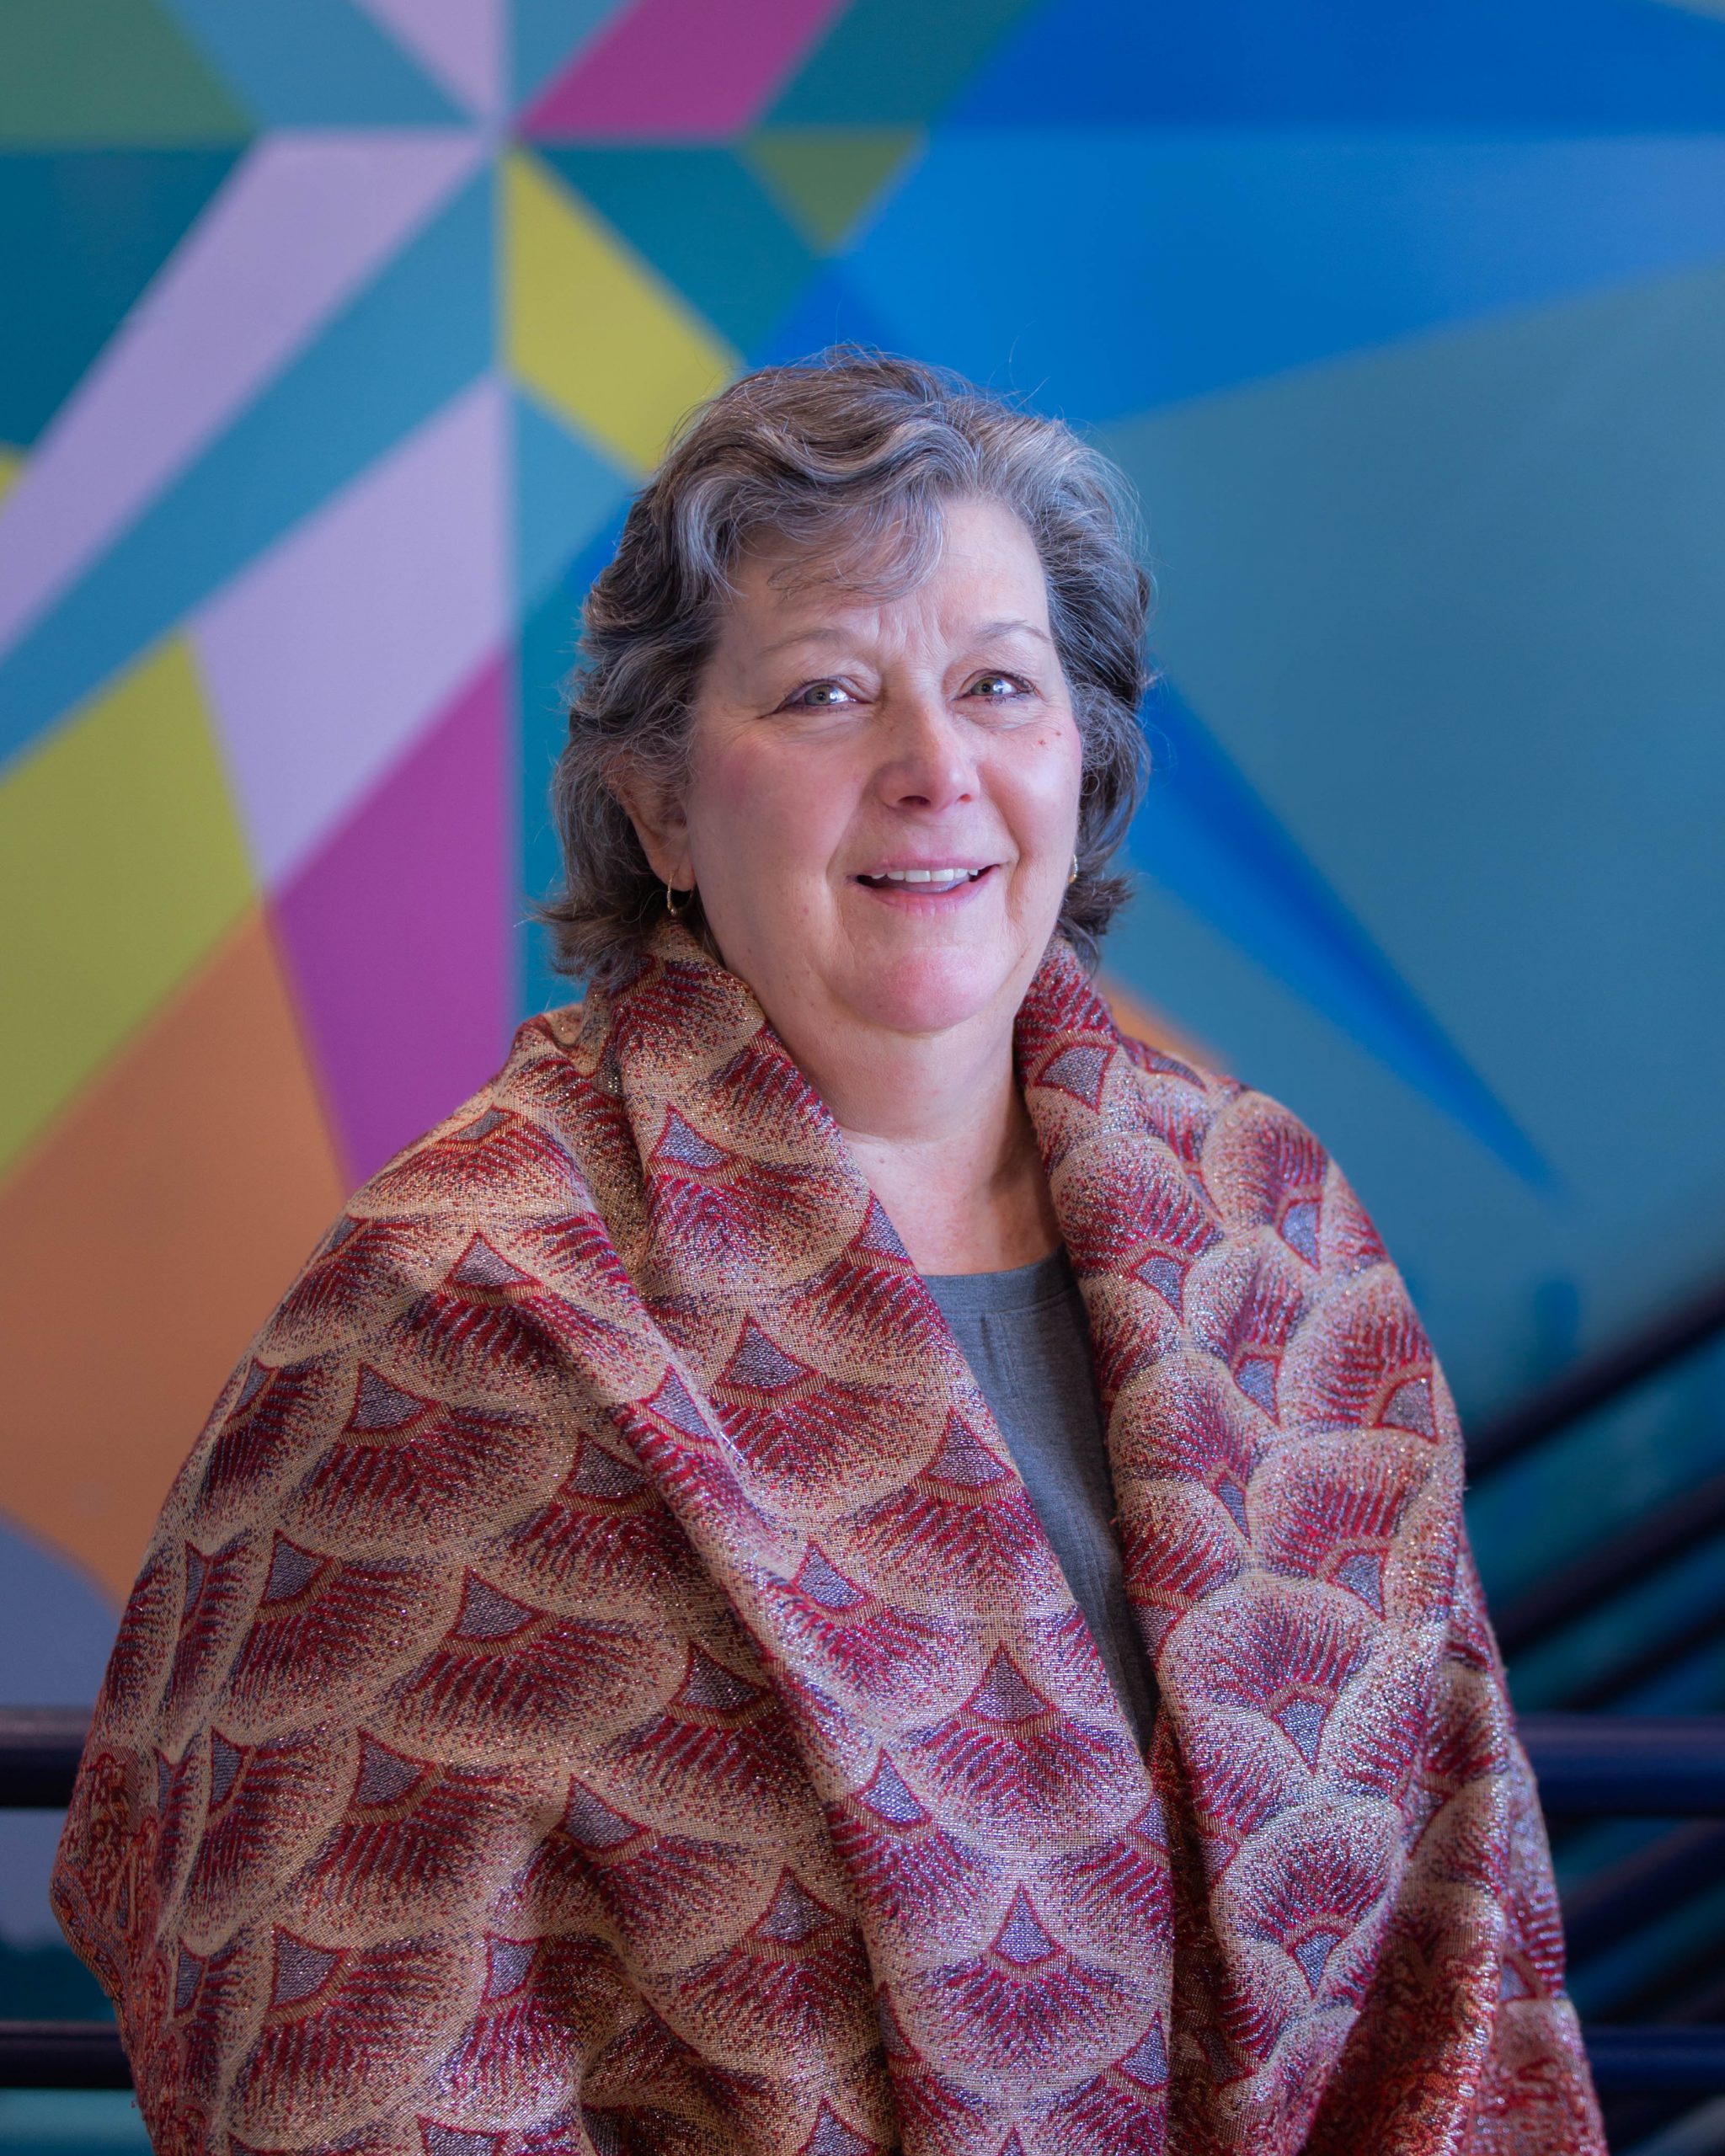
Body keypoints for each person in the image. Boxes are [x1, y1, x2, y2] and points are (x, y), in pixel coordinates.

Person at [53, 351, 1603, 2155]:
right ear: (659, 806)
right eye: (825, 692)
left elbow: (1459, 1949)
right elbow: (335, 2061)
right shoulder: (456, 1310)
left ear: (1083, 757)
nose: (934, 768)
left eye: (998, 685)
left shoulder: (1277, 1237)